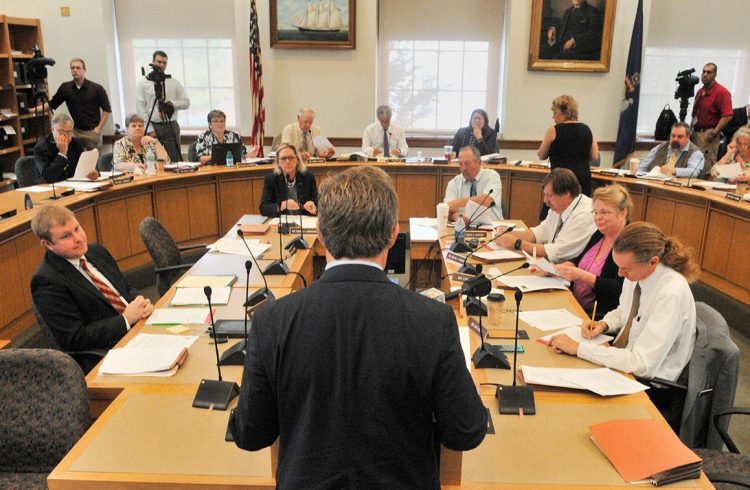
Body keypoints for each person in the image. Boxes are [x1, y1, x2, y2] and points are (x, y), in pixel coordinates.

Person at [230, 166, 487, 488]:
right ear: (394, 233)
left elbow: (250, 434)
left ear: (320, 234)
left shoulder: (271, 322)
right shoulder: (433, 321)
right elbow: (466, 432)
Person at [549, 221, 699, 430]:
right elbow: (624, 310)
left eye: (625, 269)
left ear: (653, 262)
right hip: (626, 362)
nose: (619, 274)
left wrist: (580, 349)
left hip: (651, 386)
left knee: (573, 410)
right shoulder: (637, 273)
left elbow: (642, 364)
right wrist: (603, 324)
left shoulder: (669, 294)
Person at [30, 205, 154, 372]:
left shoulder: (96, 252)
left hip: (140, 329)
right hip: (109, 351)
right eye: (66, 236)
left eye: (77, 228)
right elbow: (74, 337)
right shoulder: (46, 281)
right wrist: (125, 319)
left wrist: (140, 302)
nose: (78, 238)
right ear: (48, 244)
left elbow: (125, 288)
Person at [555, 184, 631, 319]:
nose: (597, 217)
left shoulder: (629, 243)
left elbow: (618, 290)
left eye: (604, 212)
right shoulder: (601, 233)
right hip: (573, 304)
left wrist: (582, 275)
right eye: (595, 212)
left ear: (623, 213)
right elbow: (580, 259)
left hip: (597, 317)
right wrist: (564, 267)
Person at [496, 168, 596, 263]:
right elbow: (540, 233)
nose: (545, 201)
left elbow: (557, 252)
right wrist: (508, 234)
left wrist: (516, 243)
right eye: (545, 195)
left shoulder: (583, 216)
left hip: (570, 274)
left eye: (549, 195)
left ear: (566, 194)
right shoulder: (558, 207)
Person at [538, 95, 599, 196]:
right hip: (582, 180)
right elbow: (594, 156)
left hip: (560, 181)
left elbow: (542, 155)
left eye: (555, 113)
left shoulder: (554, 130)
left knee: (555, 209)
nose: (553, 117)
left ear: (564, 112)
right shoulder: (587, 129)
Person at [136, 50, 190, 164]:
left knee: (174, 160)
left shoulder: (173, 82)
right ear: (153, 62)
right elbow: (141, 108)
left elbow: (186, 102)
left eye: (164, 63)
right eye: (159, 62)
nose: (161, 65)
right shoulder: (143, 83)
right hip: (153, 125)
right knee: (154, 160)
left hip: (171, 124)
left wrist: (172, 104)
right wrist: (150, 129)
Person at [48, 58, 112, 151]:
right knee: (76, 160)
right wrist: (33, 110)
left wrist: (99, 128)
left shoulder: (97, 88)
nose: (75, 70)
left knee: (94, 161)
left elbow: (107, 110)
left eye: (78, 68)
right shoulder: (65, 88)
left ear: (84, 70)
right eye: (72, 68)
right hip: (75, 131)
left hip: (92, 132)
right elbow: (52, 104)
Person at [690, 63, 733, 174]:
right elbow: (695, 114)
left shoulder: (722, 92)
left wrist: (714, 133)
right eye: (703, 71)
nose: (705, 75)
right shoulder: (700, 92)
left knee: (704, 168)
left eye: (709, 72)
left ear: (715, 75)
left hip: (709, 133)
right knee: (692, 165)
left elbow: (727, 116)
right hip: (695, 133)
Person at [443, 145, 503, 221]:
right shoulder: (454, 183)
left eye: (467, 163)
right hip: (462, 228)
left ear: (479, 162)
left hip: (493, 227)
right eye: (460, 163)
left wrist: (459, 202)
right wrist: (458, 218)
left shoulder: (492, 176)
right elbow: (447, 209)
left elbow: (486, 200)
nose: (463, 168)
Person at [34, 113, 97, 183]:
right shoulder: (41, 147)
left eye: (69, 132)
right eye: (61, 132)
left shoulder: (77, 143)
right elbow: (49, 176)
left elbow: (85, 166)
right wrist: (62, 153)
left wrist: (93, 173)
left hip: (74, 185)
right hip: (49, 188)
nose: (65, 135)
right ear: (53, 129)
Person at [259, 144, 318, 217]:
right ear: (278, 162)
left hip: (304, 222)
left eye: (291, 157)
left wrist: (314, 207)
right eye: (283, 158)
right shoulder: (271, 179)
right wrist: (283, 205)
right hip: (282, 223)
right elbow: (263, 208)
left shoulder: (308, 177)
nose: (287, 161)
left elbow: (319, 203)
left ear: (297, 160)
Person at [637, 122, 705, 178]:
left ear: (688, 137)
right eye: (673, 136)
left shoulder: (695, 153)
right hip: (654, 186)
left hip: (679, 190)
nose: (675, 139)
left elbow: (694, 172)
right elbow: (643, 167)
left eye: (679, 136)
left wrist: (674, 170)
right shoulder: (660, 147)